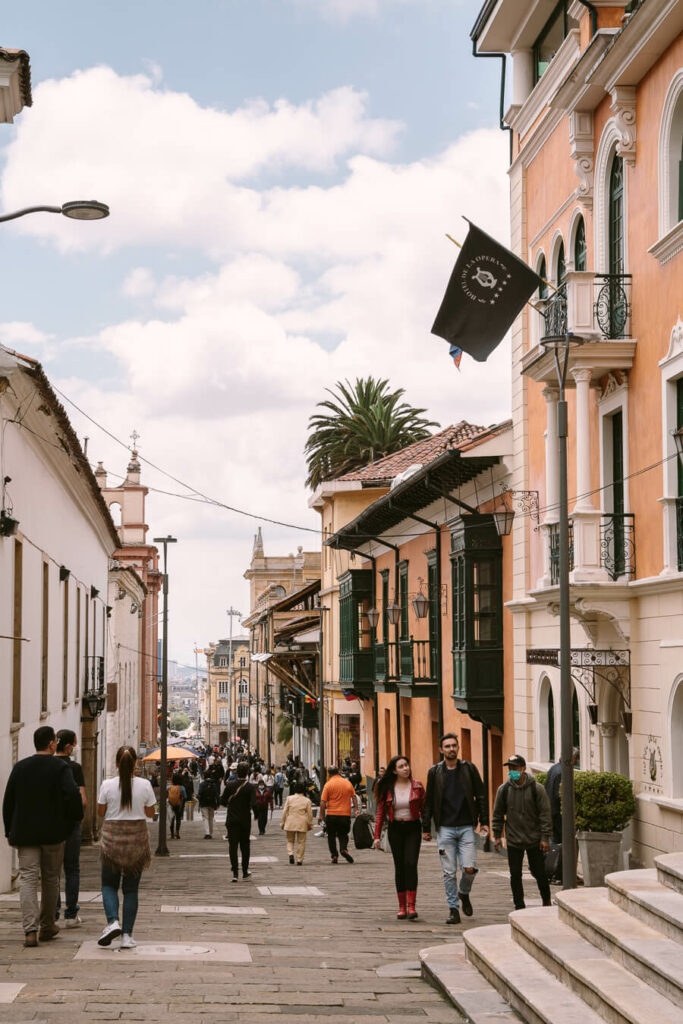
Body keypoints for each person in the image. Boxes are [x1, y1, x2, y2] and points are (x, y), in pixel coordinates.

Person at [2, 726, 83, 948]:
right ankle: (47, 925)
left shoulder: (20, 767)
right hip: (53, 833)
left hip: (25, 833)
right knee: (50, 879)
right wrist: (73, 822)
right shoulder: (60, 767)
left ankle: (30, 930)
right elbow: (73, 797)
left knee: (27, 878)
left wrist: (10, 830)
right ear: (51, 744)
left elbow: (8, 801)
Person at [422, 733, 488, 925]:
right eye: (447, 746)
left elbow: (481, 795)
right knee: (449, 872)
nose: (451, 749)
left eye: (454, 746)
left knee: (469, 868)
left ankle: (464, 893)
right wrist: (426, 827)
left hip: (467, 826)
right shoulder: (435, 772)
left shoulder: (469, 769)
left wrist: (484, 821)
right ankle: (453, 909)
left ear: (458, 748)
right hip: (445, 829)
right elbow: (429, 802)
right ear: (441, 750)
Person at [97, 745, 156, 948]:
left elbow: (100, 812)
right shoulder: (145, 785)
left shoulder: (106, 785)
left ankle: (113, 921)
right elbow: (150, 814)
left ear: (116, 764)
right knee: (131, 890)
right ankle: (127, 936)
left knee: (108, 885)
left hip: (112, 840)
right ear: (136, 764)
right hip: (136, 841)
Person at [492, 754, 553, 911]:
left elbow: (545, 814)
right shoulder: (503, 790)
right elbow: (498, 814)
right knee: (515, 874)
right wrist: (497, 836)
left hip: (534, 838)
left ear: (523, 768)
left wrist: (545, 838)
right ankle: (519, 905)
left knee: (539, 872)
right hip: (513, 839)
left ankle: (546, 899)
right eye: (510, 768)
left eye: (515, 768)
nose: (512, 771)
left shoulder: (536, 789)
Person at [373, 755, 426, 919]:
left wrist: (427, 829)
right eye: (401, 766)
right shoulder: (388, 788)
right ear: (394, 771)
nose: (405, 768)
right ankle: (401, 906)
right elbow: (381, 813)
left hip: (413, 828)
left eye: (406, 765)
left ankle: (412, 906)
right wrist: (376, 836)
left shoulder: (417, 786)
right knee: (400, 866)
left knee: (411, 863)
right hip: (395, 828)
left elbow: (424, 808)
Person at [55, 729, 87, 928]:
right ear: (68, 746)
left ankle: (53, 913)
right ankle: (71, 915)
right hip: (71, 824)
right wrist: (80, 818)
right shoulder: (74, 768)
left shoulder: (49, 765)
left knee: (52, 872)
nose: (75, 747)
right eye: (74, 744)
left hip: (52, 825)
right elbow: (82, 800)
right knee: (72, 868)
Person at [220, 762, 256, 881]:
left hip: (232, 819)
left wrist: (231, 804)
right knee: (245, 846)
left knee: (233, 846)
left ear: (236, 772)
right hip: (245, 820)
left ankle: (235, 873)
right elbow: (254, 803)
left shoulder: (230, 785)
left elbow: (223, 801)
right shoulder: (250, 787)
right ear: (247, 773)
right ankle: (245, 871)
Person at [319, 765, 358, 864]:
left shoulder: (328, 785)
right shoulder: (347, 783)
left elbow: (323, 802)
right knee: (343, 834)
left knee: (331, 835)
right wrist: (356, 809)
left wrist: (321, 815)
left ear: (328, 774)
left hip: (332, 814)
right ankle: (343, 849)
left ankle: (334, 855)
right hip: (345, 814)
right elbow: (354, 797)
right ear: (339, 771)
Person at [544, 747, 579, 846]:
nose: (576, 761)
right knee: (559, 843)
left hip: (552, 812)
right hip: (557, 816)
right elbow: (559, 796)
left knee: (555, 841)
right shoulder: (562, 773)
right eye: (576, 758)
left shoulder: (554, 768)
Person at [280, 781, 314, 865]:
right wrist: (310, 824)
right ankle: (299, 859)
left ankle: (291, 853)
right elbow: (310, 814)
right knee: (301, 842)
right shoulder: (307, 800)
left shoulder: (289, 798)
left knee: (290, 840)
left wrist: (282, 822)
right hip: (302, 822)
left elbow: (284, 811)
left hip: (290, 821)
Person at [197, 769, 220, 838]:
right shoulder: (214, 784)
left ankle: (207, 833)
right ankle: (211, 833)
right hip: (212, 803)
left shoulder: (202, 784)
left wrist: (198, 798)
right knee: (211, 818)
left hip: (203, 803)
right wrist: (218, 803)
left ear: (204, 776)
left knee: (205, 818)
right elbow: (217, 794)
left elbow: (200, 793)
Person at [167, 771, 186, 839]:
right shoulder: (182, 788)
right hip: (179, 805)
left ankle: (172, 834)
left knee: (171, 818)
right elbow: (185, 796)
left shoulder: (169, 787)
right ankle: (177, 832)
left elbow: (166, 795)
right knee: (178, 819)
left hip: (171, 804)